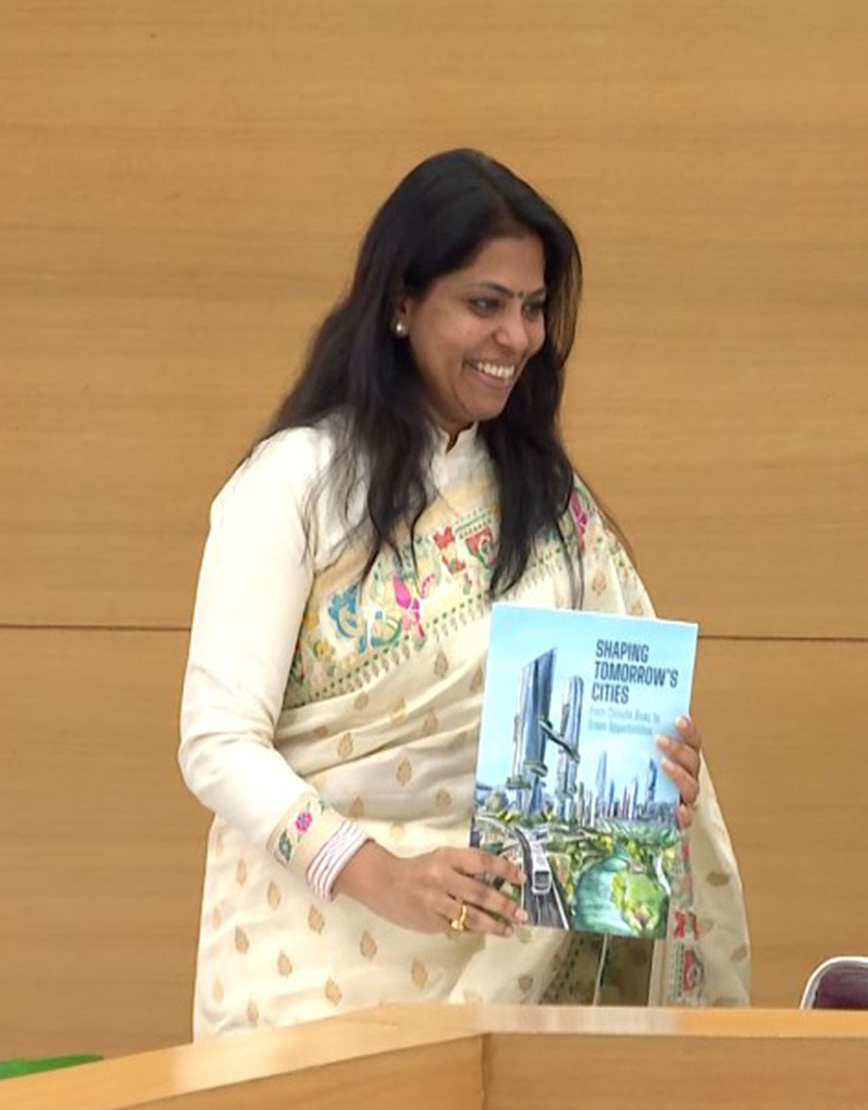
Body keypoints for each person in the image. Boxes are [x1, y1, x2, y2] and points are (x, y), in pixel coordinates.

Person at [179, 149, 750, 1038]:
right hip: (309, 962)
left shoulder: (551, 507)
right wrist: (378, 872)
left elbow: (599, 752)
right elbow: (216, 745)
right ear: (402, 303)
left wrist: (648, 781)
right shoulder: (293, 484)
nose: (515, 338)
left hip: (512, 974)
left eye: (529, 310)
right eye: (484, 305)